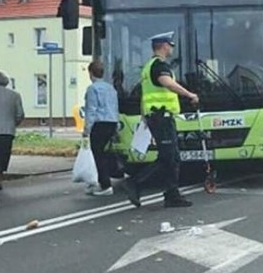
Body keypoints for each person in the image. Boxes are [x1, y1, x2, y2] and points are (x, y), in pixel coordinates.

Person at [125, 31, 199, 208]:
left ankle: (172, 194)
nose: (172, 48)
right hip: (161, 116)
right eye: (170, 45)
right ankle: (136, 182)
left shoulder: (149, 66)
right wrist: (189, 95)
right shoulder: (159, 66)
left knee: (172, 156)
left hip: (157, 116)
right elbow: (168, 84)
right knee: (167, 156)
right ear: (164, 46)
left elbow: (146, 95)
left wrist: (144, 117)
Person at [83, 60, 120, 196]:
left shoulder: (93, 89)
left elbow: (91, 110)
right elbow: (115, 107)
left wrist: (86, 129)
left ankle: (105, 185)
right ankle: (103, 181)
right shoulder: (111, 88)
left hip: (99, 124)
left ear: (91, 73)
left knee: (99, 155)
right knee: (105, 153)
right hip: (111, 122)